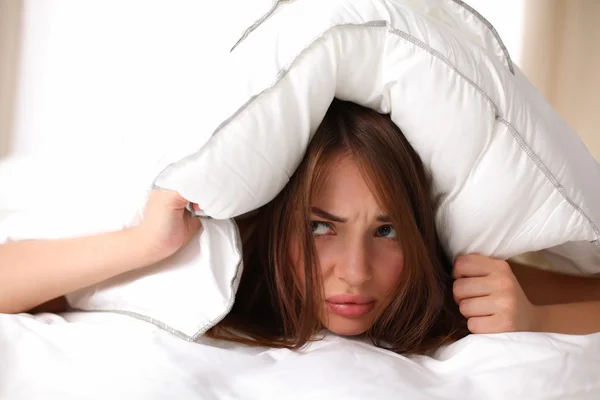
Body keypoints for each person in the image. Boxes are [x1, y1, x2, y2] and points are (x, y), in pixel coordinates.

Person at [1, 99, 599, 354]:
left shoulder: (439, 277)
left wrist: (537, 320)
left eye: (385, 231)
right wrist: (144, 244)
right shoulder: (227, 266)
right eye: (321, 229)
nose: (356, 273)